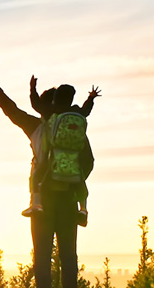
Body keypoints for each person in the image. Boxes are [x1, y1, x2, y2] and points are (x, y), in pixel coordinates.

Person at [0, 60, 93, 288]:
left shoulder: (36, 127)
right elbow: (89, 161)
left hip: (42, 199)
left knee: (42, 252)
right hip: (68, 198)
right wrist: (74, 180)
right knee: (68, 253)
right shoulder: (74, 130)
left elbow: (10, 110)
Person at [23, 79, 101, 226]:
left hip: (53, 153)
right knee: (80, 181)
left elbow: (35, 104)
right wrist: (91, 98)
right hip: (74, 154)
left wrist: (32, 88)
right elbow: (86, 110)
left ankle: (36, 205)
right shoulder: (76, 111)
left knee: (36, 177)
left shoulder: (50, 110)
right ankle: (83, 209)